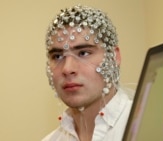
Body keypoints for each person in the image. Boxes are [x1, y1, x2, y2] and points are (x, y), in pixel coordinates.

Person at [42, 4, 134, 141]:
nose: (67, 69)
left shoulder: (148, 124)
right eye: (57, 56)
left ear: (114, 57)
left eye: (83, 53)